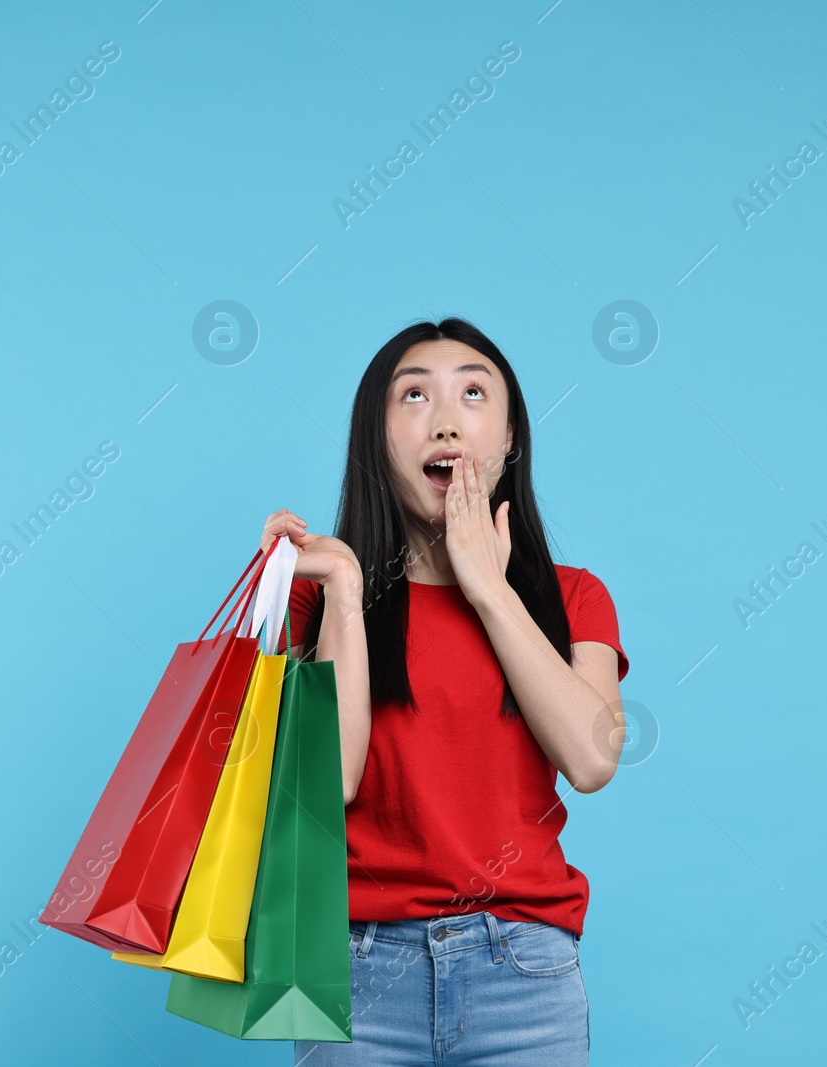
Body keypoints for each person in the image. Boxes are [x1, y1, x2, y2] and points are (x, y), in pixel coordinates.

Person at [260, 317, 630, 1066]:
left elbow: (591, 763)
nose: (447, 419)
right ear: (378, 438)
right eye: (415, 396)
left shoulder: (575, 597)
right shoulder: (319, 600)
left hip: (524, 972)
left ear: (511, 435)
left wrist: (489, 588)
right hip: (356, 972)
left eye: (472, 392)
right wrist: (341, 586)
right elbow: (327, 782)